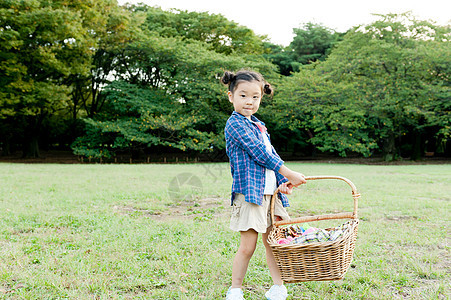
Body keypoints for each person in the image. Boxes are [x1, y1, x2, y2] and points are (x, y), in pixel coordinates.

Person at [222, 69, 307, 300]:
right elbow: (260, 154)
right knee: (248, 246)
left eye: (255, 97)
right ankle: (235, 290)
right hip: (251, 194)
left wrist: (283, 181)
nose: (249, 101)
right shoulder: (235, 124)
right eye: (243, 95)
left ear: (261, 97)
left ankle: (278, 287)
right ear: (231, 96)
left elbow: (271, 154)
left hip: (271, 196)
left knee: (274, 243)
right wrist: (289, 171)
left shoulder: (260, 125)